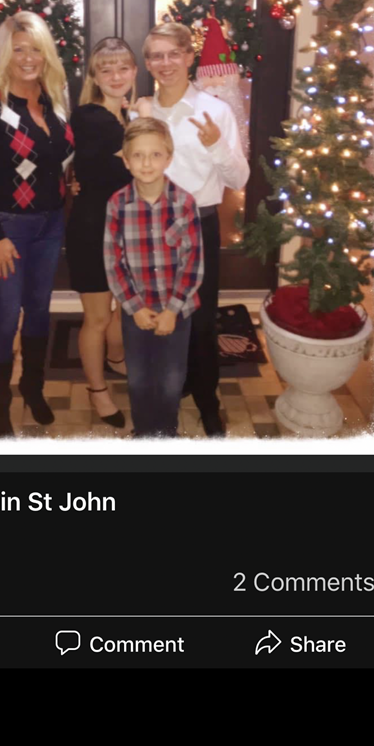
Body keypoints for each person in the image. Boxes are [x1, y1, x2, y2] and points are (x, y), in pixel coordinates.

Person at [0, 12, 74, 438]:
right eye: (19, 49)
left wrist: (71, 183)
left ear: (47, 55)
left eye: (36, 49)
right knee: (6, 318)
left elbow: (55, 160)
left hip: (50, 224)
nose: (28, 58)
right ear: (4, 54)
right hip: (6, 227)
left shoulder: (53, 98)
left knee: (40, 310)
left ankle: (32, 387)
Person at [137, 21, 250, 437]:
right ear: (148, 63)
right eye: (156, 56)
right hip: (149, 228)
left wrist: (215, 143)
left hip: (197, 225)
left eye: (173, 54)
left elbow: (239, 179)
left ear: (189, 57)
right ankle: (169, 390)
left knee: (199, 321)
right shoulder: (140, 111)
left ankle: (206, 399)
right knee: (157, 315)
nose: (165, 63)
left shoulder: (214, 111)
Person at [103, 118, 204, 437]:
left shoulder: (185, 203)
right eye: (138, 155)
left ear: (168, 158)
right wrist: (134, 307)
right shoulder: (117, 204)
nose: (146, 163)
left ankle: (166, 433)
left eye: (155, 154)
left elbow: (193, 261)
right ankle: (145, 433)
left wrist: (172, 310)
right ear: (126, 160)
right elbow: (113, 262)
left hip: (178, 311)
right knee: (139, 379)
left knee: (172, 379)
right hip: (137, 312)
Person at [65, 38, 138, 428]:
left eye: (123, 68)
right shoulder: (90, 116)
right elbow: (137, 160)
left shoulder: (126, 116)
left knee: (124, 306)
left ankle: (117, 358)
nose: (115, 76)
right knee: (96, 316)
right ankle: (97, 390)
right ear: (94, 76)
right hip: (94, 228)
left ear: (134, 72)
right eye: (106, 69)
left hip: (129, 227)